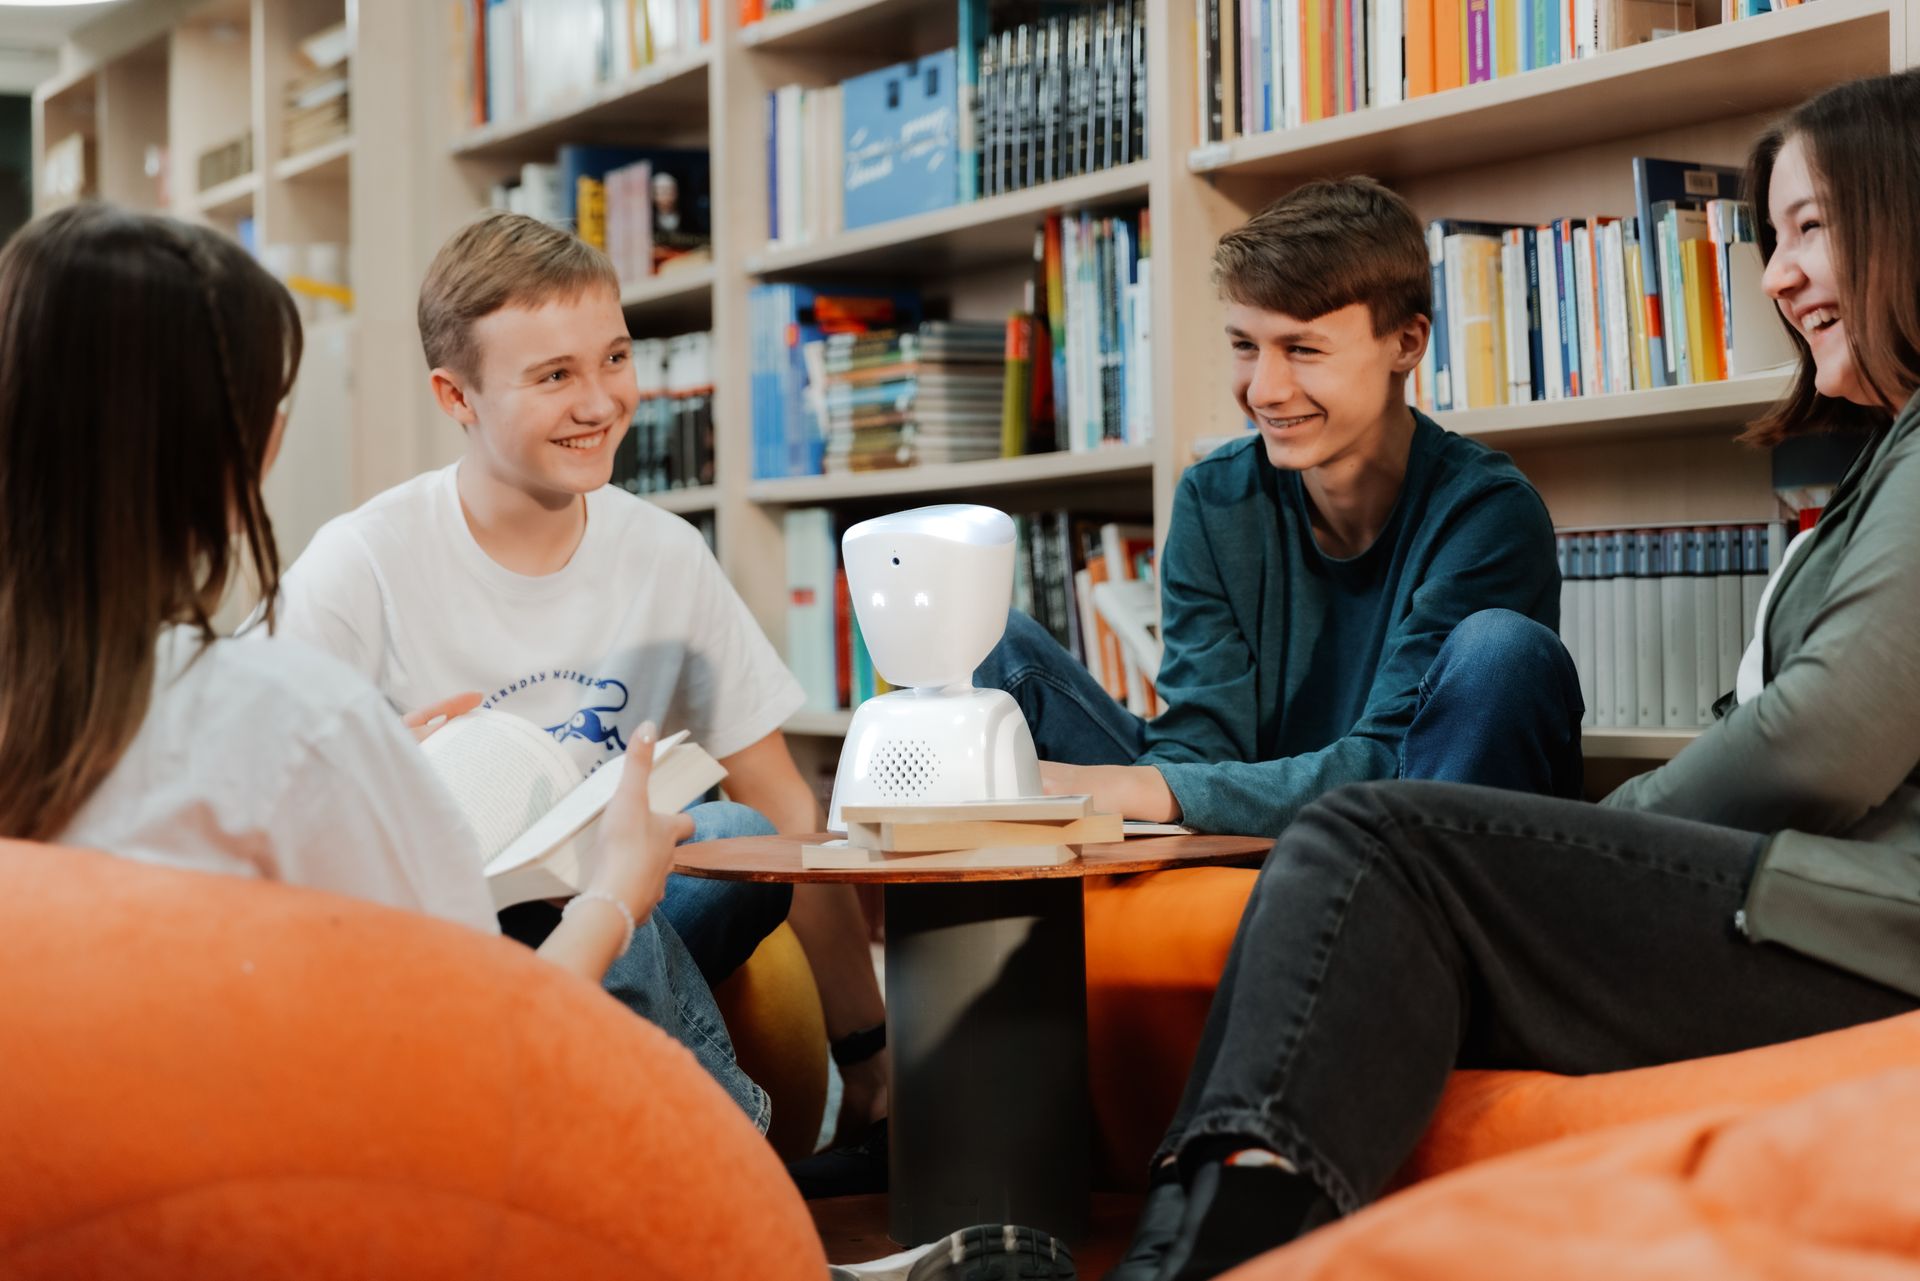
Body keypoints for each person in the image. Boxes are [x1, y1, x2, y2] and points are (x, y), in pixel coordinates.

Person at [1108, 68, 1920, 1281]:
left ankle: (1206, 1247)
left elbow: (1823, 739)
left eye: (1813, 227)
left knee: (1375, 839)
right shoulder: (1879, 466)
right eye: (1770, 235)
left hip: (1855, 917)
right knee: (1370, 854)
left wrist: (1606, 835)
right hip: (1807, 892)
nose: (1776, 274)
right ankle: (1201, 1233)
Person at [0, 202, 722, 1098]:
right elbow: (471, 1045)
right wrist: (615, 891)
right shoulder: (287, 714)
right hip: (292, 1190)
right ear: (238, 448)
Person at [271, 212, 892, 1152]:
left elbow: (782, 810)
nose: (600, 401)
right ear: (457, 396)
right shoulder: (359, 564)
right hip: (433, 939)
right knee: (586, 874)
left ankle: (721, 1178)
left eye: (614, 359)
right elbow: (272, 831)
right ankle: (735, 1170)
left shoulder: (664, 554)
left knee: (736, 831)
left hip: (619, 907)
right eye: (554, 375)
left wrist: (872, 1059)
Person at [975, 177, 1582, 839]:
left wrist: (1146, 788)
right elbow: (1200, 742)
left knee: (1501, 648)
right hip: (1246, 824)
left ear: (1406, 343)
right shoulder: (1215, 498)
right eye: (1245, 346)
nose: (1264, 390)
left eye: (1303, 349)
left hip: (1405, 845)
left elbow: (1397, 764)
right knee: (991, 643)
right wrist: (1151, 785)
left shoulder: (1488, 514)